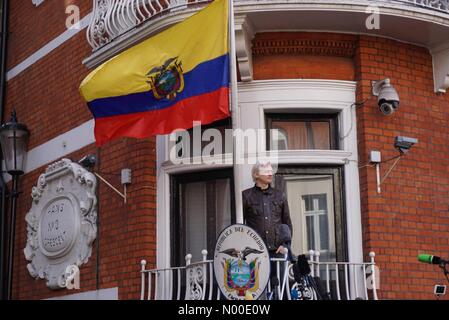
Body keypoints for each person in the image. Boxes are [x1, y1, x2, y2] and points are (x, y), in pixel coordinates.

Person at [242, 161, 293, 299]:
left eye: (271, 171)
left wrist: (285, 245)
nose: (270, 174)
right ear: (256, 175)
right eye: (266, 171)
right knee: (256, 290)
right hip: (255, 252)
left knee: (279, 290)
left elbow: (287, 222)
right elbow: (241, 226)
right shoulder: (246, 196)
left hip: (277, 251)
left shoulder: (280, 195)